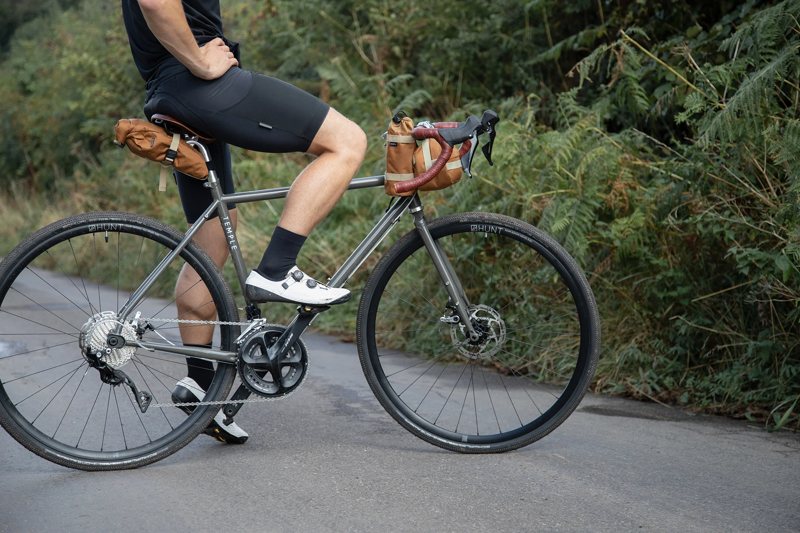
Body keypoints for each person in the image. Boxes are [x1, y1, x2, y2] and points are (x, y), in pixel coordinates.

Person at [121, 0, 367, 444]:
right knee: (348, 142)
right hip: (197, 84)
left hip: (173, 93)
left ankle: (201, 387)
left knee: (212, 247)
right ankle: (276, 271)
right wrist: (199, 60)